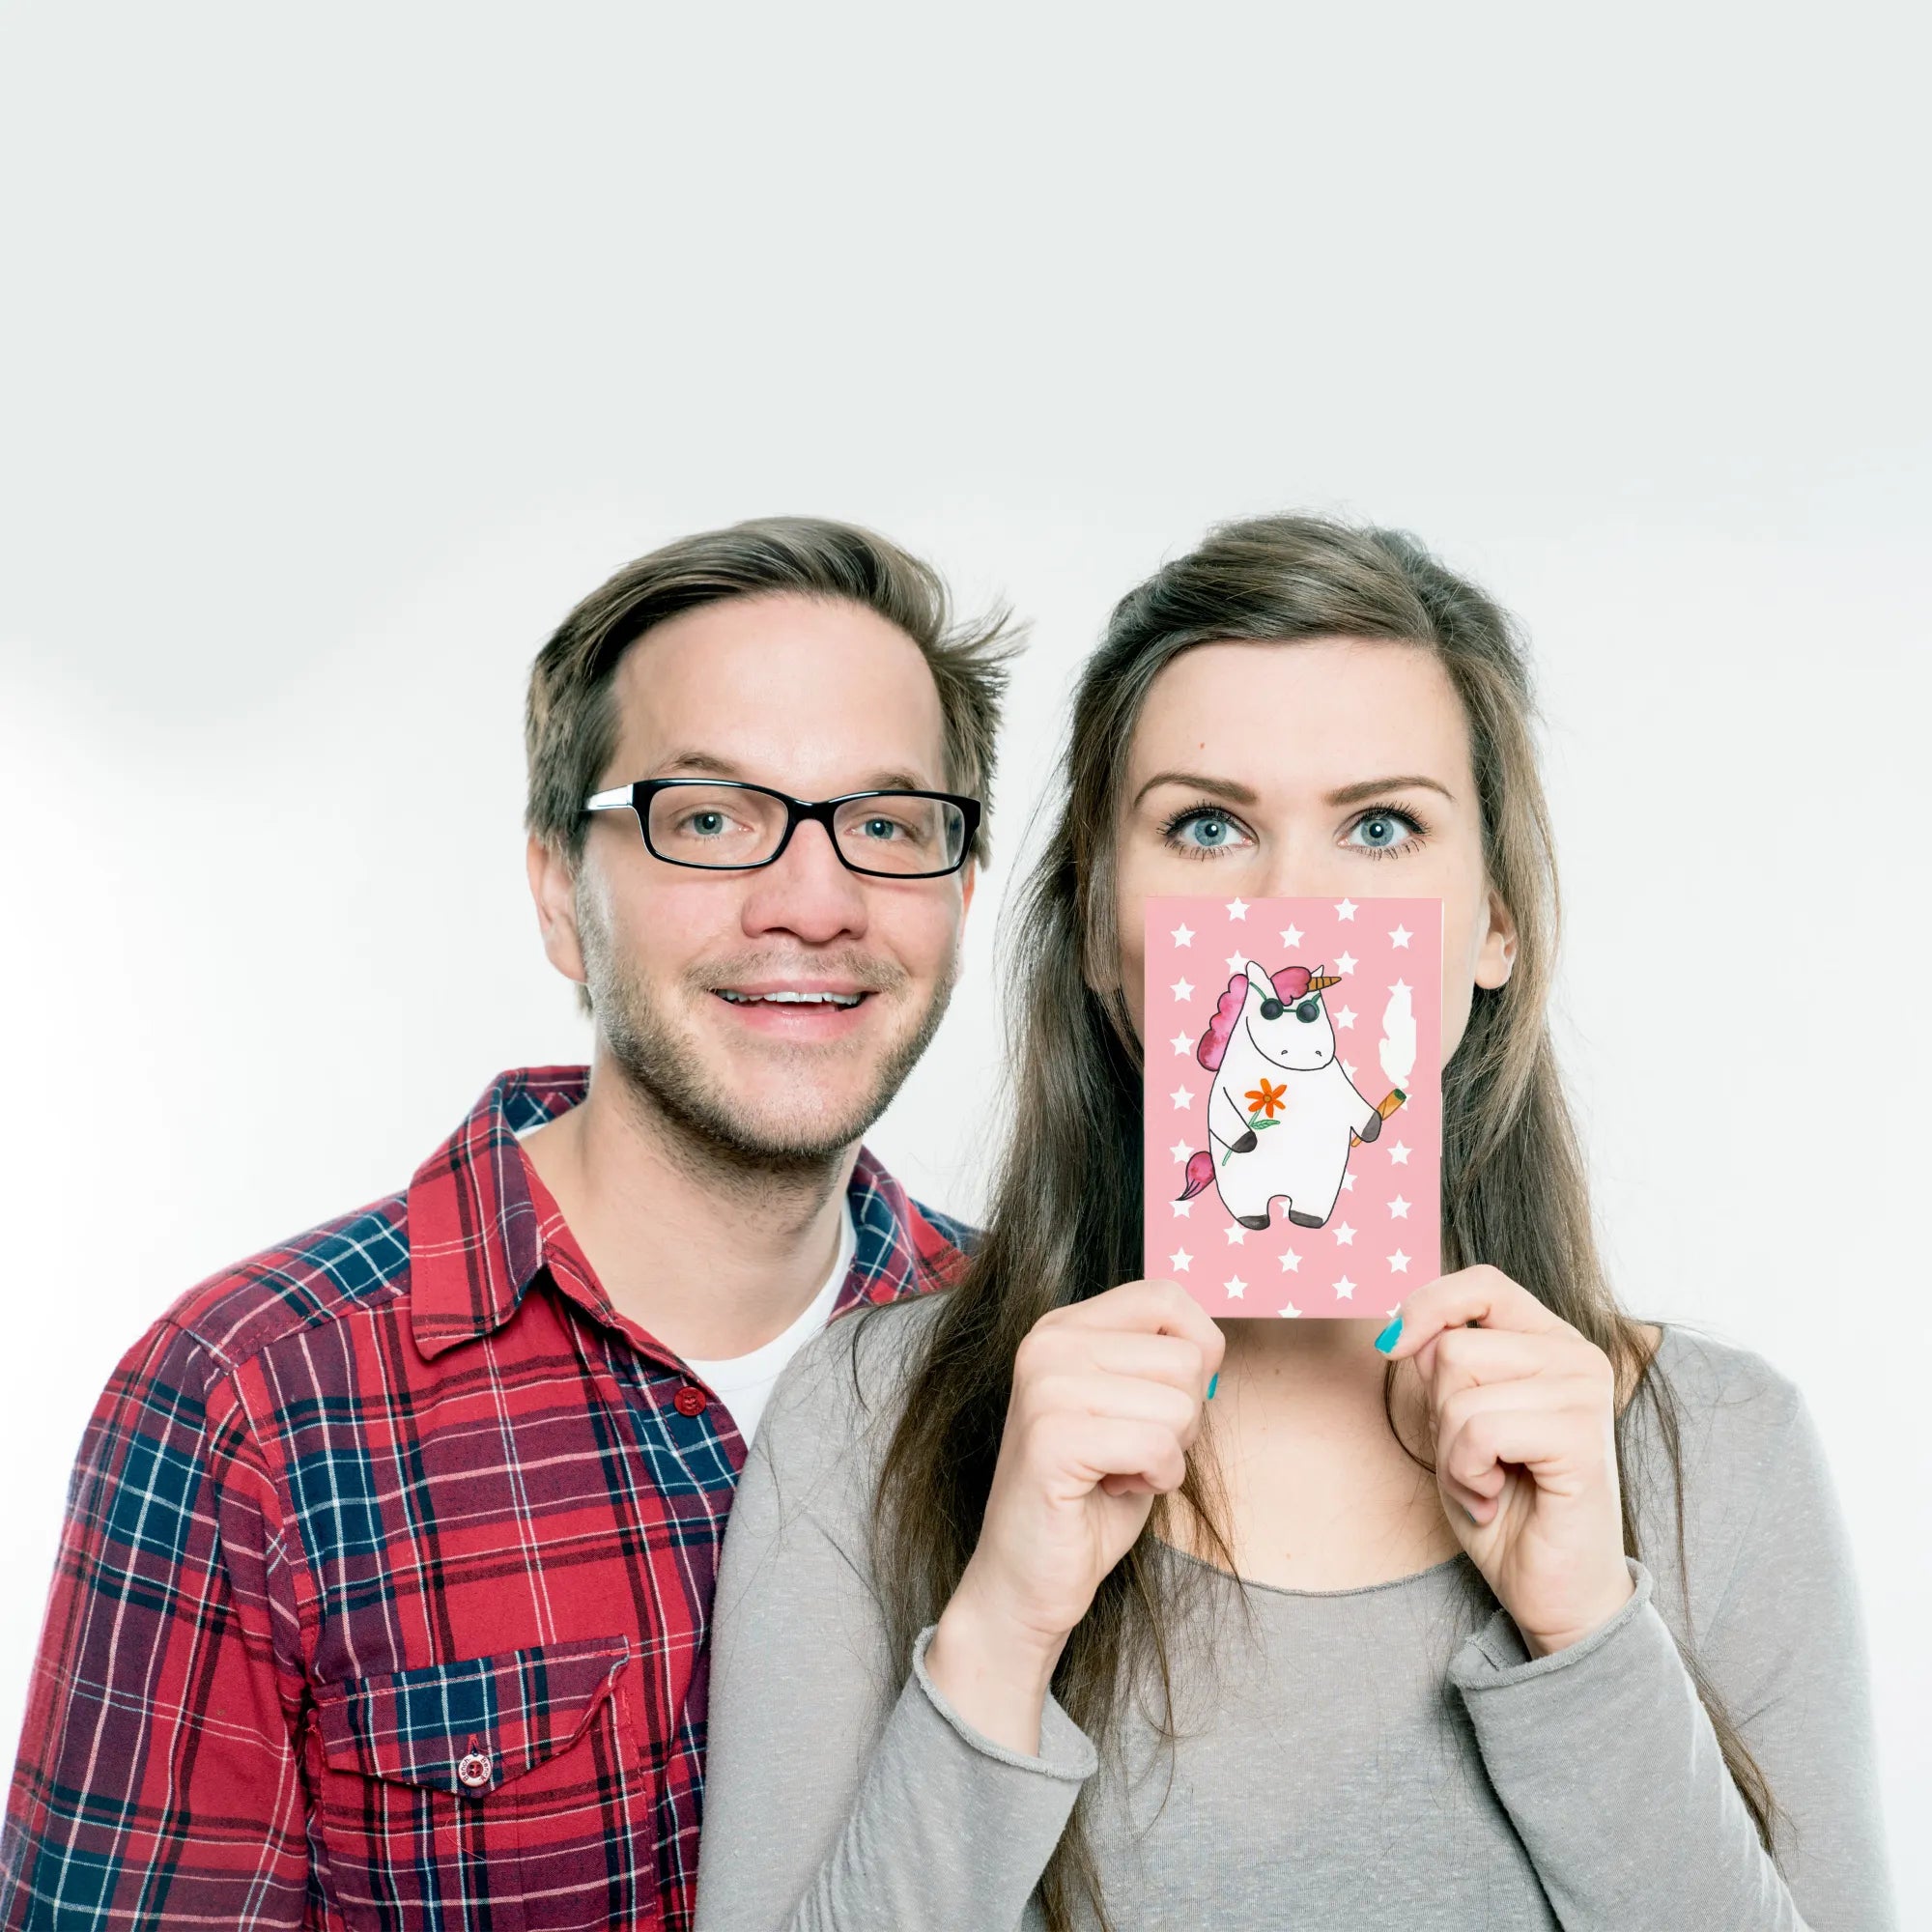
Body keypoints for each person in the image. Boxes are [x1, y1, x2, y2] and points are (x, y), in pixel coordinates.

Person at [694, 515, 1895, 1930]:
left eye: (1381, 827)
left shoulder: (1722, 1451)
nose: (1292, 911)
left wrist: (1585, 1631)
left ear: (1495, 924)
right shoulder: (867, 1420)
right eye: (1207, 828)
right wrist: (1002, 1624)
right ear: (1100, 926)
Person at [0, 518, 1014, 1931]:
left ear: (960, 891)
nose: (816, 903)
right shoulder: (246, 1405)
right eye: (710, 820)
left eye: (888, 827)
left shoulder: (1029, 1349)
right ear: (557, 894)